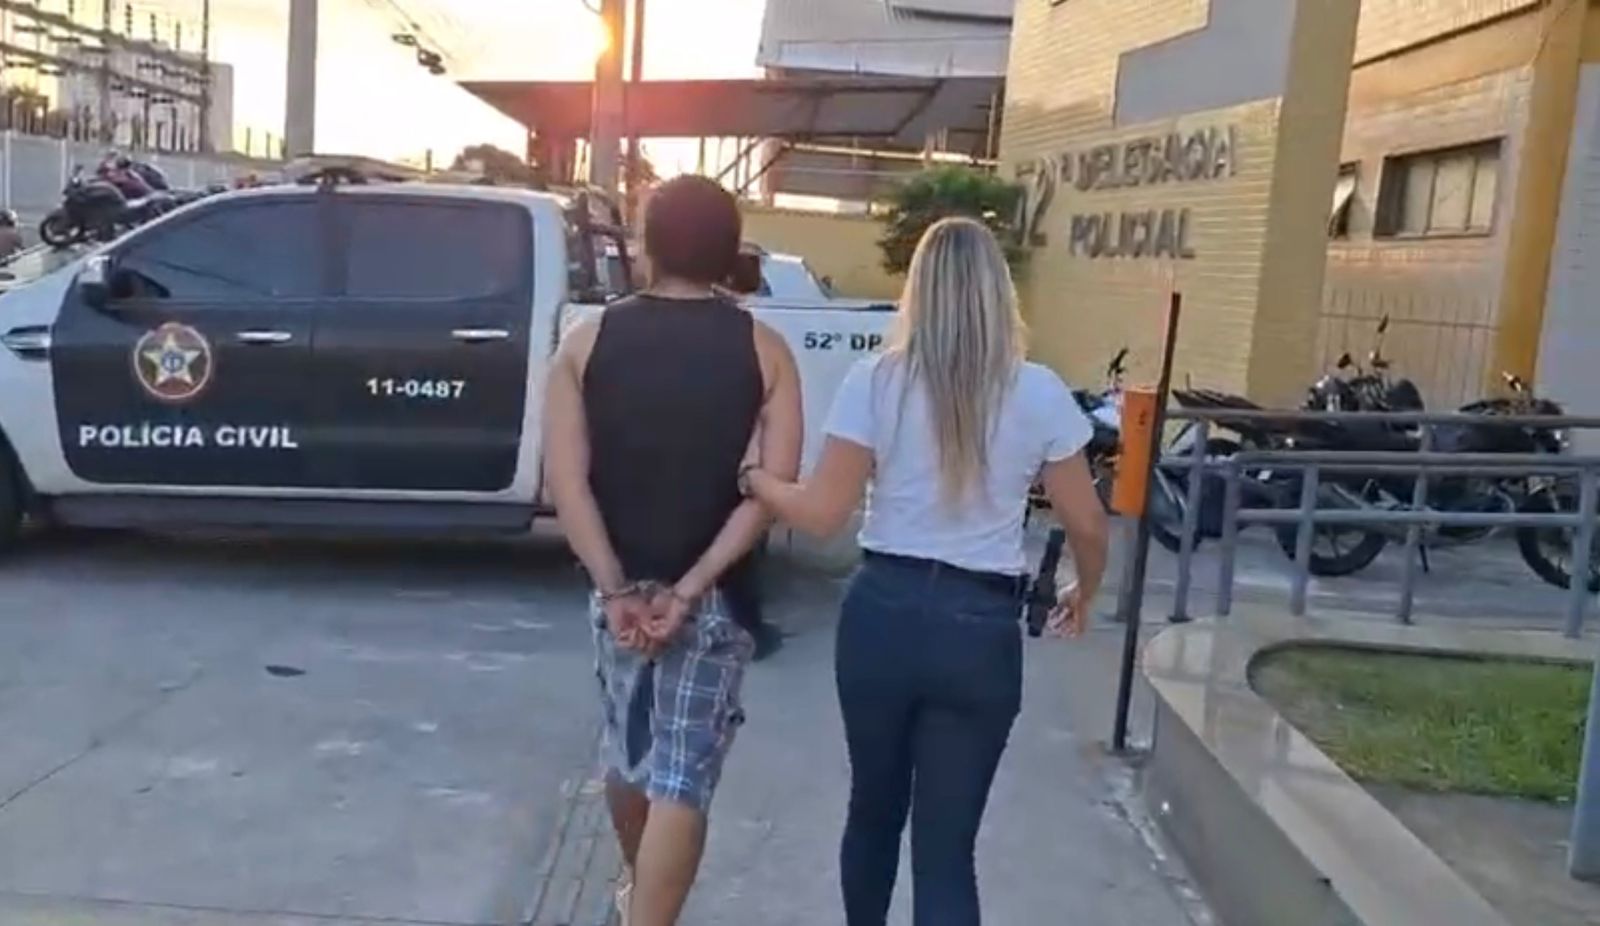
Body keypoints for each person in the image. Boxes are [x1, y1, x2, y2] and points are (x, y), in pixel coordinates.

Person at [741, 216, 1110, 926]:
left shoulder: (877, 382)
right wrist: (1081, 590)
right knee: (946, 852)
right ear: (998, 293)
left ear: (919, 291)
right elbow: (1089, 525)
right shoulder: (1038, 392)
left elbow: (822, 513)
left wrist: (757, 480)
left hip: (882, 614)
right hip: (980, 630)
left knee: (872, 814)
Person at [544, 175, 803, 926]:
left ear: (644, 246)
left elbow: (567, 483)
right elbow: (771, 493)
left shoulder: (586, 343)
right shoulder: (766, 351)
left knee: (629, 757)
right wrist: (690, 589)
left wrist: (616, 589)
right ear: (729, 251)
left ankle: (640, 895)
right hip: (715, 597)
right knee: (681, 776)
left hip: (620, 593)